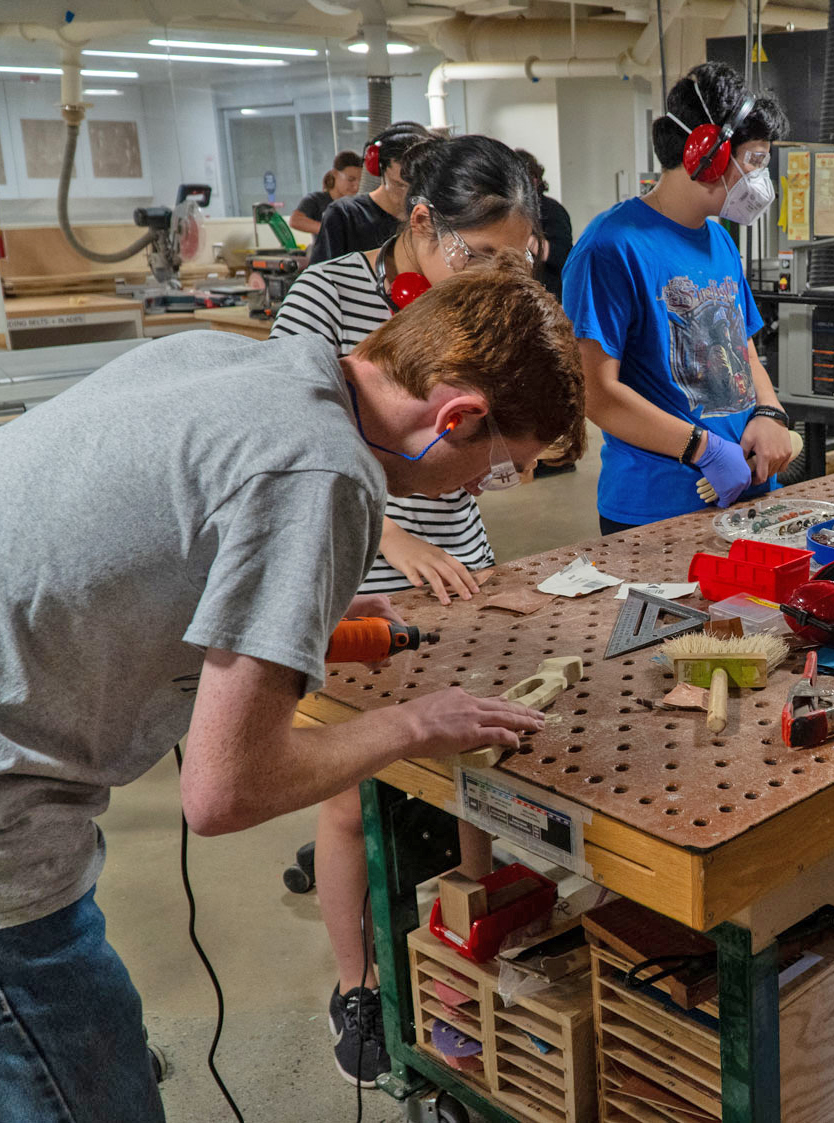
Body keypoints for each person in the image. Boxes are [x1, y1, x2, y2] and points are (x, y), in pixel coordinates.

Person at [0, 262, 584, 1122]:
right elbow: (226, 790)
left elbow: (154, 548)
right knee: (77, 1086)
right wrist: (415, 722)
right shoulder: (324, 473)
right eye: (495, 468)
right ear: (456, 417)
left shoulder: (231, 358)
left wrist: (304, 606)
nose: (476, 489)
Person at [269, 133, 541, 1085]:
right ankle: (362, 986)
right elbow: (300, 445)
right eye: (479, 255)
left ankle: (469, 955)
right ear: (422, 222)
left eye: (514, 257)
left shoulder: (487, 296)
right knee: (348, 796)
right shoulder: (330, 295)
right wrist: (393, 535)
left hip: (458, 561)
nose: (495, 276)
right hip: (358, 561)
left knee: (465, 770)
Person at [562, 62, 793, 532]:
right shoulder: (610, 247)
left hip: (749, 490)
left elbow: (741, 345)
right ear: (705, 154)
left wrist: (769, 412)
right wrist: (702, 448)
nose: (760, 180)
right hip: (658, 505)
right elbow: (595, 393)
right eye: (754, 160)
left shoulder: (719, 238)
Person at [309, 122, 433, 264]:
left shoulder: (433, 215)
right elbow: (320, 278)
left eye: (417, 186)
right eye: (399, 185)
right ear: (380, 169)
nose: (409, 195)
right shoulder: (345, 215)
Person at [515, 149, 574, 302]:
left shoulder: (552, 210)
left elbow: (564, 257)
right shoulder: (509, 211)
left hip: (549, 295)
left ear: (535, 180)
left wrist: (528, 239)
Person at [290, 150, 364, 237]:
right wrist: (332, 230)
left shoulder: (358, 204)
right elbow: (295, 221)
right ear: (335, 173)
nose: (356, 186)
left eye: (359, 181)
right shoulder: (316, 200)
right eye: (351, 179)